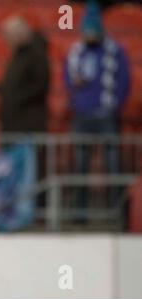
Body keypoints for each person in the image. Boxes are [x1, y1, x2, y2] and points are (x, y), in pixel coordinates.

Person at [64, 1, 130, 213]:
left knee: (113, 166)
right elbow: (67, 79)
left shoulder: (114, 51)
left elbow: (124, 80)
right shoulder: (76, 52)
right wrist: (75, 94)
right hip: (82, 116)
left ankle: (116, 212)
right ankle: (79, 213)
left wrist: (114, 106)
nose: (89, 35)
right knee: (80, 167)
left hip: (106, 116)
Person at [0, 15, 50, 133]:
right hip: (13, 124)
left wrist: (14, 97)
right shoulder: (19, 55)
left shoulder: (36, 55)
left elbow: (39, 86)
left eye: (10, 36)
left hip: (27, 125)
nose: (7, 40)